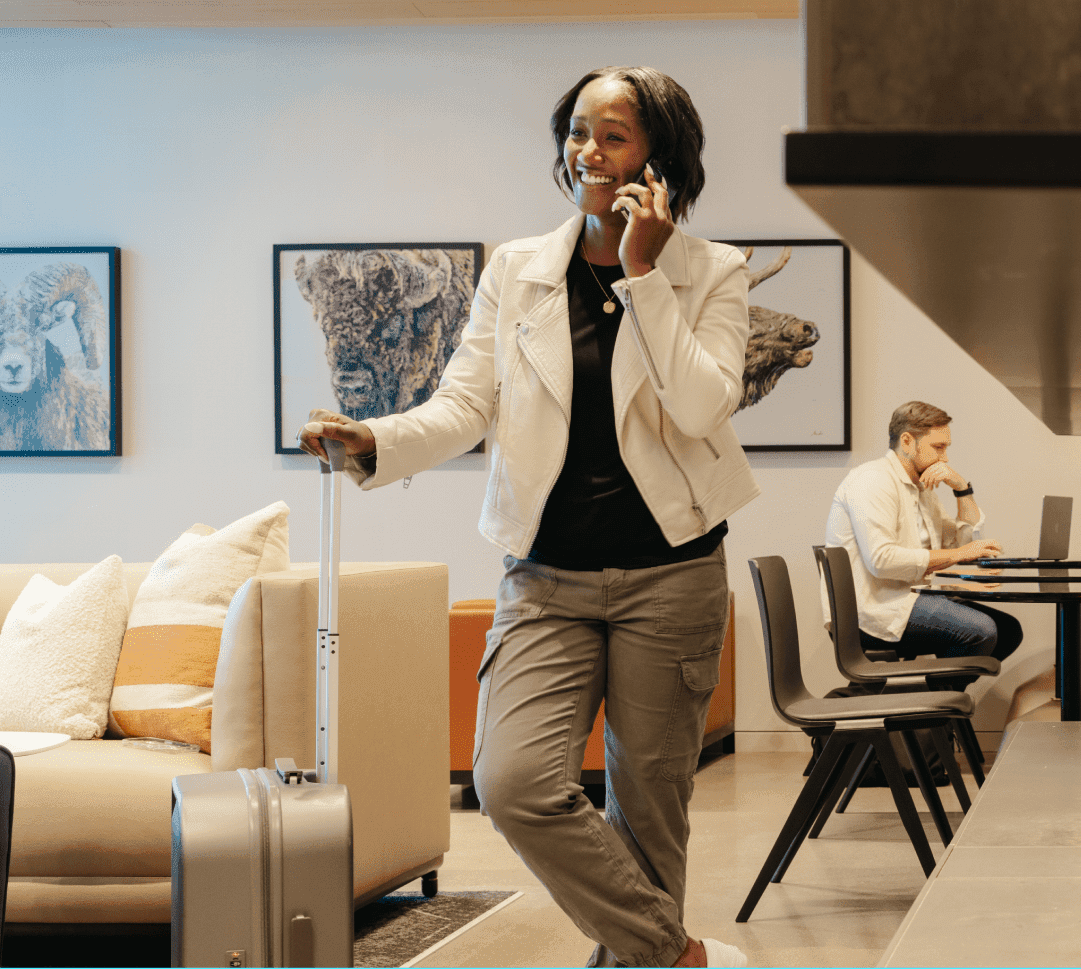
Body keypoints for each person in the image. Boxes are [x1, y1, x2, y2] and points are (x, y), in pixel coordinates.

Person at [299, 66, 754, 969]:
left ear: (658, 158)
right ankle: (674, 954)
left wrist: (642, 275)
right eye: (577, 131)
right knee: (511, 780)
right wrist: (375, 438)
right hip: (545, 577)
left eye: (613, 135)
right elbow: (464, 405)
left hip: (671, 576)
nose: (588, 150)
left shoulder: (713, 273)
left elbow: (704, 407)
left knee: (648, 806)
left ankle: (636, 957)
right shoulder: (516, 270)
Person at [826, 401, 1024, 662]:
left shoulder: (923, 488)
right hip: (874, 609)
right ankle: (938, 697)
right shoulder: (872, 480)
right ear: (907, 442)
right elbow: (881, 560)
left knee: (1008, 631)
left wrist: (962, 489)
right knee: (981, 631)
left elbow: (959, 544)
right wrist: (961, 554)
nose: (945, 458)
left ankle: (935, 694)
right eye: (938, 448)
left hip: (910, 598)